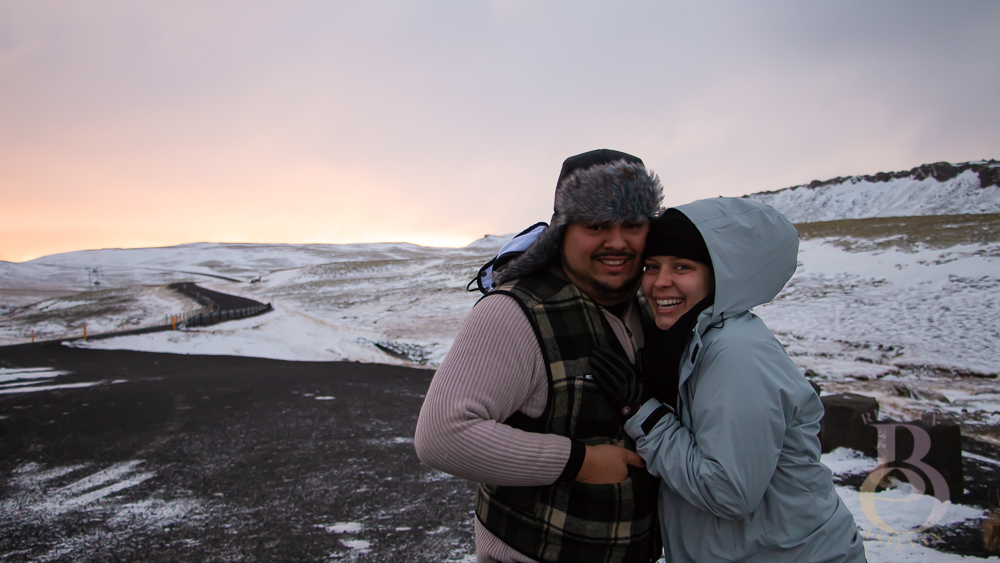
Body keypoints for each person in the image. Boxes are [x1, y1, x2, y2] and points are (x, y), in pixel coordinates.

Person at [415, 149, 664, 563]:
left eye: (633, 225)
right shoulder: (514, 313)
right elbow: (442, 435)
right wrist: (580, 462)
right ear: (562, 230)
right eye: (596, 224)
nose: (617, 241)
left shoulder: (651, 307)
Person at [591, 198, 866, 562]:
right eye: (652, 266)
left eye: (682, 267)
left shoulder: (736, 353)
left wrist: (644, 414)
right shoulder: (691, 339)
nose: (659, 282)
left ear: (719, 274)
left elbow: (728, 491)